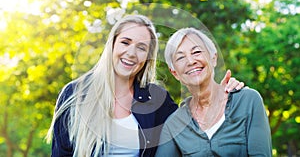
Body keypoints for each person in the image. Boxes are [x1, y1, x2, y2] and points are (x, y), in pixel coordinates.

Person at [46, 15, 244, 157]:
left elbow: (192, 126)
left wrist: (220, 93)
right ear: (112, 45)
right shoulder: (75, 93)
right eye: (125, 42)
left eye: (141, 48)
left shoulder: (156, 98)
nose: (132, 53)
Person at [155, 27, 272, 157]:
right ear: (175, 73)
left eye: (197, 52)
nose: (191, 61)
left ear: (213, 58)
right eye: (180, 58)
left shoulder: (248, 101)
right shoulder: (174, 124)